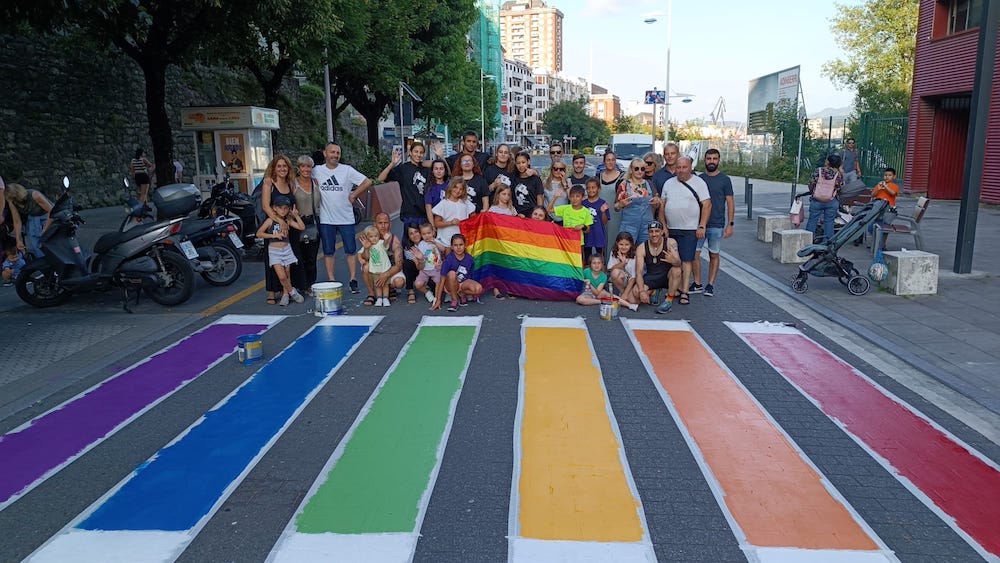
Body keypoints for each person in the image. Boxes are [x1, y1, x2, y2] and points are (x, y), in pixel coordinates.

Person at [313, 142, 372, 295]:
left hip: (346, 218)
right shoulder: (316, 170)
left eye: (338, 153)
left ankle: (353, 279)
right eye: (332, 152)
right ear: (325, 153)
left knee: (350, 251)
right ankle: (331, 280)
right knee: (328, 251)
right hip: (326, 219)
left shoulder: (347, 170)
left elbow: (367, 182)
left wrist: (354, 194)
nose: (335, 155)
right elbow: (303, 178)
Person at [661, 156, 711, 306]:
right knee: (671, 260)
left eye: (684, 167)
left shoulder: (699, 183)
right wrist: (664, 226)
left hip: (690, 228)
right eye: (678, 167)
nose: (681, 170)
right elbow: (662, 206)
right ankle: (674, 288)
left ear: (690, 168)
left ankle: (685, 291)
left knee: (687, 260)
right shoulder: (668, 183)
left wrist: (702, 225)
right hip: (671, 228)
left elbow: (707, 205)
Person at [690, 149, 734, 297]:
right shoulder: (699, 179)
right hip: (699, 224)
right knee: (694, 254)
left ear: (719, 160)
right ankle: (697, 283)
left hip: (717, 223)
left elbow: (730, 202)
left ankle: (710, 285)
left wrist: (730, 224)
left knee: (713, 254)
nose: (712, 161)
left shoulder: (725, 180)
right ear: (705, 160)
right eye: (709, 158)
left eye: (714, 159)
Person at [261, 154, 304, 303]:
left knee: (288, 261)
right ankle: (272, 292)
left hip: (290, 227)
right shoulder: (269, 183)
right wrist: (280, 221)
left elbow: (292, 206)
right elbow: (266, 206)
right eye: (279, 166)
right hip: (273, 226)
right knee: (273, 260)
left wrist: (290, 220)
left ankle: (286, 291)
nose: (282, 169)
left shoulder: (290, 184)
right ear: (273, 168)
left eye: (284, 166)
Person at [256, 194, 305, 306]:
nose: (283, 211)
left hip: (286, 249)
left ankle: (285, 295)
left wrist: (296, 216)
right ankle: (292, 292)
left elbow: (301, 227)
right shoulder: (270, 221)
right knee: (282, 276)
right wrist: (274, 236)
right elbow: (259, 233)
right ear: (274, 208)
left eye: (286, 208)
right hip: (274, 251)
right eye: (280, 208)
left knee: (287, 273)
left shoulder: (287, 220)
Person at [377, 142, 430, 231]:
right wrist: (392, 164)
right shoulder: (403, 169)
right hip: (410, 213)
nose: (418, 155)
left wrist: (439, 157)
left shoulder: (426, 169)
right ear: (410, 152)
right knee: (410, 239)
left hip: (425, 213)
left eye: (421, 152)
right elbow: (380, 179)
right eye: (416, 152)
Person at [634, 221, 682, 314]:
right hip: (652, 276)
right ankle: (654, 291)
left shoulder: (670, 242)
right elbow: (639, 272)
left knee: (677, 270)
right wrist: (641, 291)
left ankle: (668, 301)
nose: (654, 234)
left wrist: (673, 261)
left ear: (662, 232)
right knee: (636, 293)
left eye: (657, 231)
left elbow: (679, 263)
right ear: (648, 233)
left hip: (668, 276)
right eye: (651, 231)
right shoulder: (641, 247)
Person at [360, 212, 405, 306]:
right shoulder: (370, 237)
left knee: (399, 282)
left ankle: (390, 288)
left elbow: (399, 265)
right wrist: (366, 249)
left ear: (390, 224)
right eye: (380, 223)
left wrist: (386, 274)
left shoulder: (394, 241)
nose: (383, 226)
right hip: (376, 268)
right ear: (375, 224)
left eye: (386, 223)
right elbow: (365, 258)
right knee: (365, 267)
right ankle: (372, 294)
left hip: (390, 269)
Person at [292, 155, 322, 293]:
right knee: (299, 257)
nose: (306, 169)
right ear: (298, 168)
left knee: (311, 257)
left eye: (308, 166)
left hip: (313, 224)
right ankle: (300, 284)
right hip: (297, 224)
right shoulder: (293, 184)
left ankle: (310, 284)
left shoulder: (315, 182)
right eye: (303, 166)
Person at [431, 233, 482, 312]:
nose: (458, 248)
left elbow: (471, 276)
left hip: (463, 283)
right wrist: (438, 300)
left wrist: (472, 291)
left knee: (478, 289)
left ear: (465, 245)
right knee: (452, 273)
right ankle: (454, 300)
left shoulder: (470, 259)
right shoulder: (448, 259)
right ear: (451, 247)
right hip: (450, 285)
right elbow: (442, 280)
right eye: (455, 245)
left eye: (461, 244)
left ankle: (462, 293)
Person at [614, 158, 659, 246]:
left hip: (646, 226)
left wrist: (657, 202)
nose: (640, 171)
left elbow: (656, 203)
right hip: (629, 225)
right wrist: (620, 204)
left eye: (642, 169)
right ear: (631, 170)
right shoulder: (624, 184)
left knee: (645, 250)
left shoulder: (649, 183)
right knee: (626, 250)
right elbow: (616, 207)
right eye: (636, 168)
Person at [4, 182, 53, 258]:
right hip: (33, 217)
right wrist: (18, 240)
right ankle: (43, 260)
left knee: (48, 238)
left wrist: (45, 229)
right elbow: (17, 221)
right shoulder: (12, 202)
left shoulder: (34, 195)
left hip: (47, 215)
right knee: (34, 241)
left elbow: (52, 211)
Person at [548, 184, 593, 261]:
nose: (574, 199)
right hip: (566, 242)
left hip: (578, 243)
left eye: (577, 196)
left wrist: (583, 226)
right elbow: (548, 210)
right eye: (572, 196)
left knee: (579, 263)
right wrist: (555, 197)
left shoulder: (586, 211)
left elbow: (588, 230)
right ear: (569, 197)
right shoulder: (565, 208)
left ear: (583, 197)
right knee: (566, 263)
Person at [805, 154, 844, 244]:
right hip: (831, 201)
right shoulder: (838, 174)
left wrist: (813, 191)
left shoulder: (819, 171)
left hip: (816, 200)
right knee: (829, 222)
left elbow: (811, 184)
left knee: (812, 220)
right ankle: (827, 243)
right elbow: (840, 188)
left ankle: (807, 242)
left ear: (828, 162)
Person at [433, 177, 476, 246]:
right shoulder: (443, 204)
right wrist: (450, 223)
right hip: (445, 240)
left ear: (464, 191)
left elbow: (474, 219)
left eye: (461, 189)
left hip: (461, 240)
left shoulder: (466, 203)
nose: (458, 191)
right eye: (455, 187)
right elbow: (437, 223)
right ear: (450, 187)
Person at [413, 222, 448, 303]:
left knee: (438, 284)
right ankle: (427, 293)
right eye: (424, 234)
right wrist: (421, 257)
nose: (427, 236)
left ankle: (436, 298)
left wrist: (435, 242)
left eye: (429, 233)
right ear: (421, 235)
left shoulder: (436, 241)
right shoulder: (421, 244)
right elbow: (421, 257)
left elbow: (443, 249)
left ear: (433, 232)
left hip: (436, 269)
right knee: (418, 284)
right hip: (425, 270)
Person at [359, 225, 392, 306]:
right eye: (371, 237)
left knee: (385, 284)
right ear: (367, 238)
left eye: (376, 236)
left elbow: (385, 244)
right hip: (375, 269)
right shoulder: (367, 245)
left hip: (384, 268)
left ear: (379, 236)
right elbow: (360, 254)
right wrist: (361, 258)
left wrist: (387, 239)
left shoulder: (381, 243)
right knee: (377, 284)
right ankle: (379, 298)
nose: (374, 238)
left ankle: (385, 298)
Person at [598, 150, 624, 246]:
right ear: (604, 162)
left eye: (613, 160)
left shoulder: (622, 177)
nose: (610, 162)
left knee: (613, 240)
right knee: (601, 241)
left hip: (615, 215)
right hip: (601, 214)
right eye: (608, 160)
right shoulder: (598, 176)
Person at [581, 177, 610, 261]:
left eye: (593, 187)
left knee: (600, 259)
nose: (591, 190)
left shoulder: (603, 203)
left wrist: (603, 212)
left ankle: (602, 270)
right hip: (586, 237)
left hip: (599, 236)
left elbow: (605, 222)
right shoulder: (583, 204)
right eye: (588, 188)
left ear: (599, 189)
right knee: (587, 259)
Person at [512, 152, 544, 217]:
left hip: (532, 215)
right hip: (517, 214)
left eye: (523, 162)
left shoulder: (536, 179)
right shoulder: (513, 178)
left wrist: (539, 214)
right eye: (518, 163)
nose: (521, 165)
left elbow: (540, 198)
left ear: (528, 162)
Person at [608, 232, 637, 301]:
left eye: (627, 244)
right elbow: (610, 269)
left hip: (632, 281)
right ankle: (622, 292)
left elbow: (633, 277)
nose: (624, 247)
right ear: (617, 243)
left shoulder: (635, 254)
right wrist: (622, 263)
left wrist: (626, 294)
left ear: (631, 244)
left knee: (633, 301)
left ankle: (626, 294)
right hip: (621, 279)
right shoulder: (614, 252)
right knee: (615, 272)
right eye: (621, 244)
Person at [401, 224, 423, 304]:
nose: (414, 235)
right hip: (418, 268)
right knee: (407, 263)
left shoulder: (428, 243)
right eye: (411, 233)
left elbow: (433, 262)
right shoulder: (408, 248)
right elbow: (419, 266)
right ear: (408, 237)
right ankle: (411, 290)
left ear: (420, 232)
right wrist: (420, 259)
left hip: (430, 268)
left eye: (416, 232)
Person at [424, 159, 450, 225]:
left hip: (449, 218)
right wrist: (432, 226)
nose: (438, 171)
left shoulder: (450, 185)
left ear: (445, 171)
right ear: (432, 171)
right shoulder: (430, 187)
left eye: (441, 169)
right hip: (435, 219)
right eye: (436, 169)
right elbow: (428, 207)